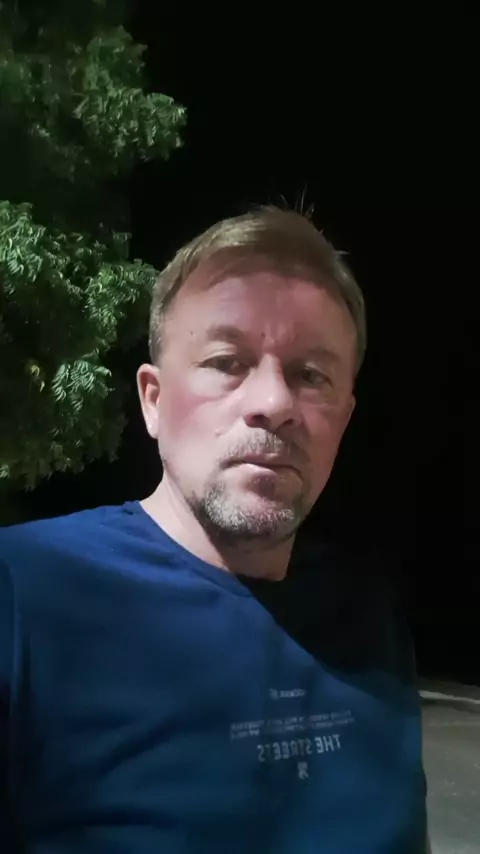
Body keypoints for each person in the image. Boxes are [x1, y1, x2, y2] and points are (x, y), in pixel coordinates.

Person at [0, 206, 429, 852]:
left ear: (343, 417)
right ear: (153, 400)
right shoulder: (23, 595)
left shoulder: (367, 612)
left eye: (311, 375)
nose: (274, 404)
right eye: (228, 361)